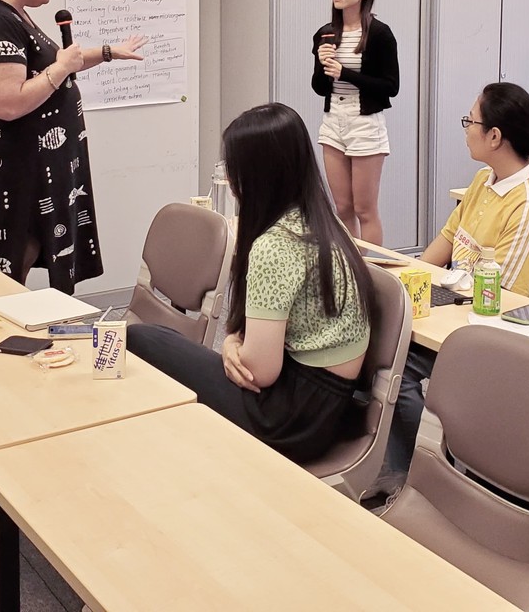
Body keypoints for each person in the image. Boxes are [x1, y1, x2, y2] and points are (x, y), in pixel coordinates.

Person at [127, 103, 374, 463]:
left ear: (256, 176)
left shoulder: (276, 246)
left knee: (139, 340)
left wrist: (232, 344)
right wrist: (231, 342)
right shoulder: (326, 226)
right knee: (159, 342)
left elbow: (258, 372)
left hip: (286, 420)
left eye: (234, 169)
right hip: (327, 411)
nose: (230, 181)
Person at [383, 83, 529, 479]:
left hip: (507, 335)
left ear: (495, 136)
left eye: (471, 121)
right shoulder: (485, 179)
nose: (466, 129)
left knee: (394, 365)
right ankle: (402, 468)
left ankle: (432, 474)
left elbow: (502, 299)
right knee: (378, 338)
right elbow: (446, 241)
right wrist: (404, 282)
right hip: (458, 311)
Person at [0, 0, 145, 292]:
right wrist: (61, 70)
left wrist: (108, 52)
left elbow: (50, 64)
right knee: (5, 255)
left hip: (27, 160)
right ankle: (1, 319)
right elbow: (8, 103)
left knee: (25, 244)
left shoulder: (8, 10)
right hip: (10, 163)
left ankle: (14, 315)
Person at [312, 0, 398, 246]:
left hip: (364, 123)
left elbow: (391, 86)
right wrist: (322, 65)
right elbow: (319, 87)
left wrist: (345, 73)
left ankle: (371, 269)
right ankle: (349, 265)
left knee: (365, 209)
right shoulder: (325, 33)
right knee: (342, 208)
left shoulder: (379, 33)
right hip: (333, 121)